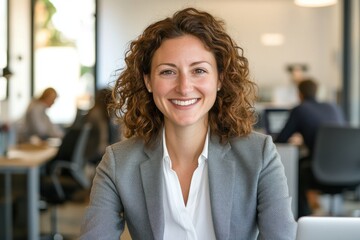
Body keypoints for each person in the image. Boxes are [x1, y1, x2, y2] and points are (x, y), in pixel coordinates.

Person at [80, 7, 296, 239]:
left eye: (199, 70)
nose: (184, 87)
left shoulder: (259, 154)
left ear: (219, 79)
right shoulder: (118, 162)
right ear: (148, 81)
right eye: (168, 72)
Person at [275, 78, 346, 217]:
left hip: (319, 169)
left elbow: (281, 139)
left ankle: (302, 214)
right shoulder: (333, 107)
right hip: (346, 169)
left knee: (296, 168)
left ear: (299, 94)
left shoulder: (300, 109)